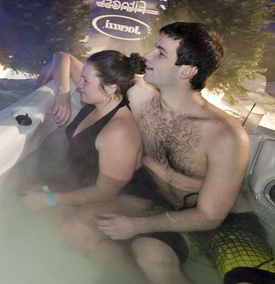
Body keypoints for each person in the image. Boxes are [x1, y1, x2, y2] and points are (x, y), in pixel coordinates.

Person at [47, 22, 275, 284]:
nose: (147, 56)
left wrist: (136, 226)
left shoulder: (225, 136)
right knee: (105, 239)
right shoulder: (140, 97)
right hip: (164, 206)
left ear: (188, 71)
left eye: (161, 53)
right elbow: (67, 60)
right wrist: (63, 94)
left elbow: (209, 216)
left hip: (227, 221)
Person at [22, 50, 153, 280]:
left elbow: (106, 192)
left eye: (85, 81)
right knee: (29, 191)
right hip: (89, 182)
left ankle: (135, 277)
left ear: (111, 88)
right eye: (81, 78)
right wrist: (63, 94)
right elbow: (62, 56)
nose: (79, 85)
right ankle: (68, 256)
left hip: (127, 197)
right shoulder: (99, 99)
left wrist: (50, 200)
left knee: (76, 231)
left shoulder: (119, 132)